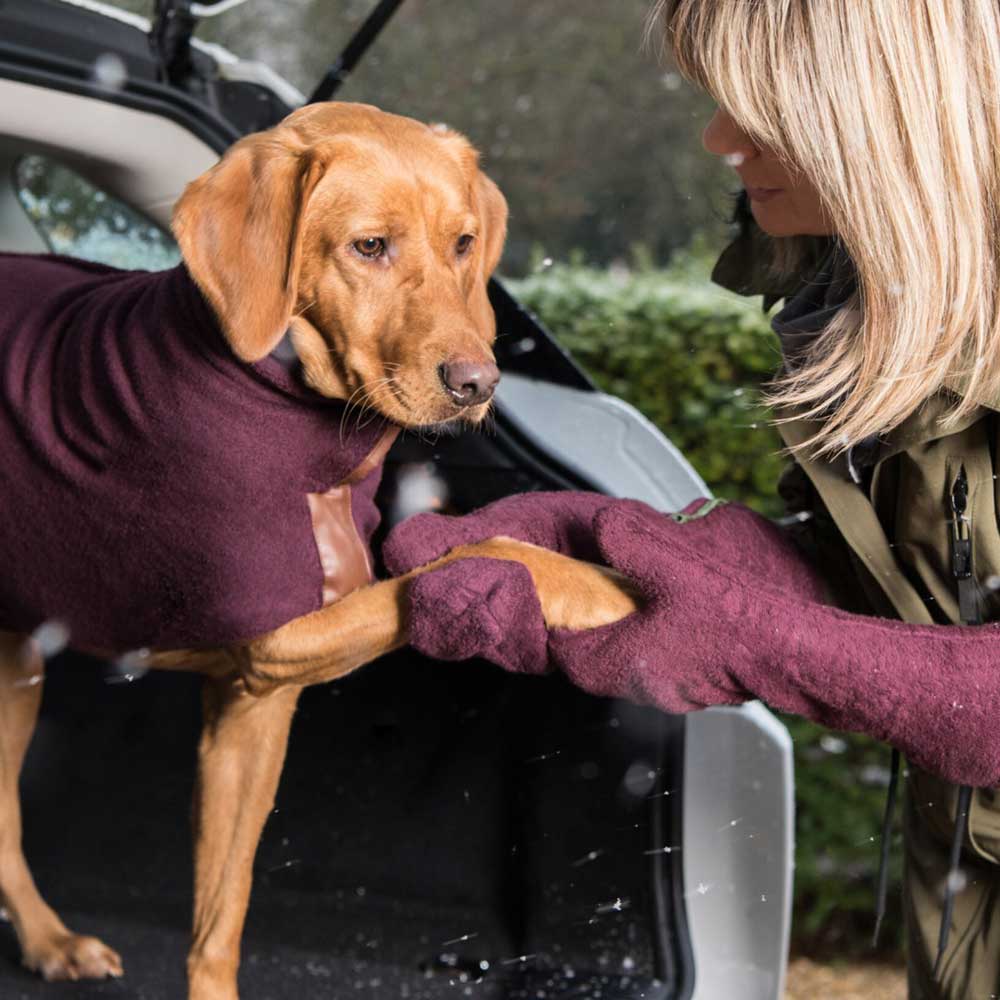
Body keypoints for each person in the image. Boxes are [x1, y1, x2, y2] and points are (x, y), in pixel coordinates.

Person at [383, 2, 1000, 997]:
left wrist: (752, 639)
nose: (717, 139)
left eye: (762, 109)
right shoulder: (869, 284)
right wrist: (627, 551)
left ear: (882, 111)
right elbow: (924, 585)